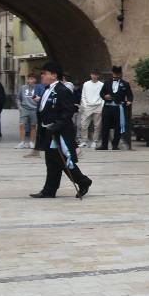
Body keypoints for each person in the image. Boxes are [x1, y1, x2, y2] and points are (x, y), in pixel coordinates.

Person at [31, 61, 92, 199]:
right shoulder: (46, 89)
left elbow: (68, 112)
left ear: (53, 75)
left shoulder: (62, 90)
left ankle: (83, 181)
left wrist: (55, 126)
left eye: (44, 73)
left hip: (59, 133)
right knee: (52, 162)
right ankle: (50, 190)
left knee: (63, 161)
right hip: (48, 132)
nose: (42, 76)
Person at [99, 66, 133, 150]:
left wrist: (129, 100)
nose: (116, 75)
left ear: (120, 74)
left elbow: (130, 95)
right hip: (107, 107)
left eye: (118, 74)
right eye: (114, 74)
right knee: (105, 126)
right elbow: (101, 93)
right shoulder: (107, 82)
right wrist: (105, 96)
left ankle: (115, 145)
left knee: (118, 127)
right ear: (112, 73)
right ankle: (104, 145)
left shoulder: (125, 84)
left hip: (118, 108)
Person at [78, 71, 105, 148]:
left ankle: (95, 141)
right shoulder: (86, 84)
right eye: (93, 74)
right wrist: (85, 105)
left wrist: (102, 105)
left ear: (98, 76)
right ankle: (84, 141)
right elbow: (83, 95)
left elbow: (103, 96)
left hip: (98, 106)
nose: (94, 76)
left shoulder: (101, 85)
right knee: (84, 124)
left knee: (97, 125)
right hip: (88, 106)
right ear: (90, 75)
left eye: (96, 75)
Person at [16, 74, 39, 149]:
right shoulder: (23, 88)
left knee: (33, 126)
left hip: (34, 109)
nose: (30, 80)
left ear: (35, 80)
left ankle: (31, 142)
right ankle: (22, 142)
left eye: (32, 79)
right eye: (29, 79)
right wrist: (20, 107)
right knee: (22, 125)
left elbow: (41, 98)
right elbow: (18, 98)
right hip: (24, 109)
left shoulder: (38, 88)